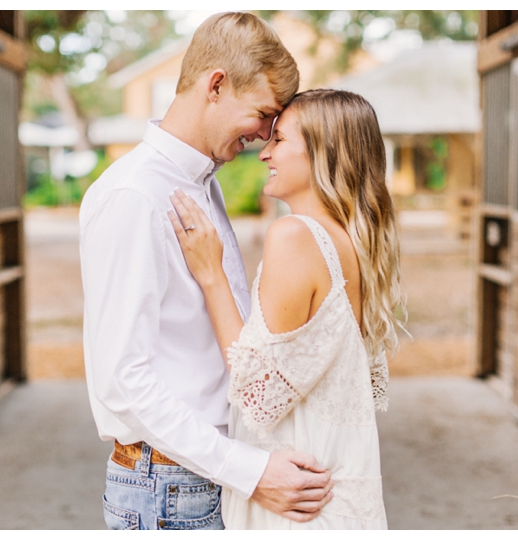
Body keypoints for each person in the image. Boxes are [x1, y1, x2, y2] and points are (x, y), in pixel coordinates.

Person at [79, 12, 334, 531]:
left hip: (203, 474)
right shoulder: (134, 196)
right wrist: (251, 471)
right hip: (171, 484)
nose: (266, 136)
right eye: (263, 114)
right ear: (215, 85)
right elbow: (122, 379)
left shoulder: (203, 181)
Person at [167, 88, 405, 529]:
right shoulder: (353, 242)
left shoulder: (295, 236)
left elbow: (257, 395)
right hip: (338, 496)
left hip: (299, 505)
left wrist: (211, 273)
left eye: (280, 140)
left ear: (324, 154)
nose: (264, 153)